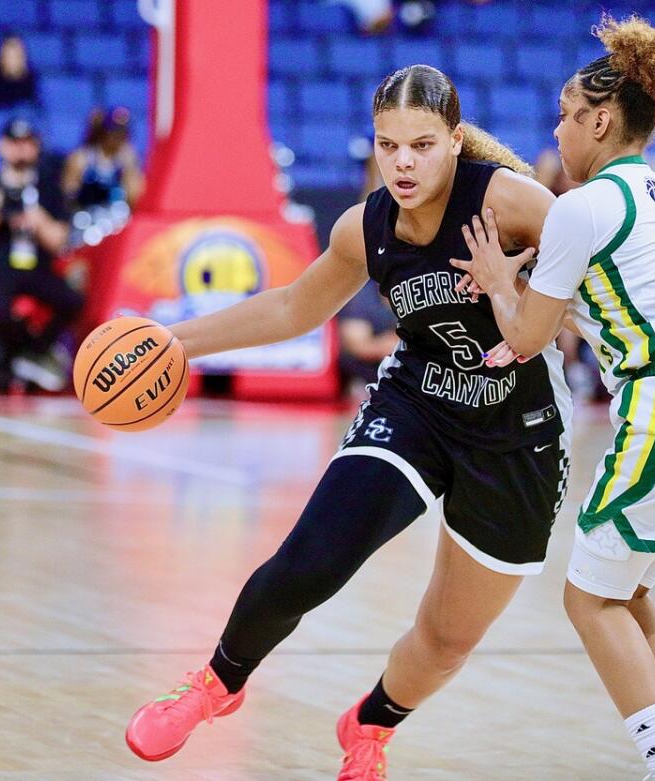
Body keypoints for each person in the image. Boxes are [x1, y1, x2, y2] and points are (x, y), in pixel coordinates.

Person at [123, 65, 574, 781]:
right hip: (418, 404)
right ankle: (216, 684)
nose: (401, 162)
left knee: (447, 637)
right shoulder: (366, 227)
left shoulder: (513, 203)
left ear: (456, 140)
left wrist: (520, 284)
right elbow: (291, 308)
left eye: (421, 144)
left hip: (519, 429)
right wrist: (177, 340)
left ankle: (370, 723)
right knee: (314, 558)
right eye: (387, 144)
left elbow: (594, 278)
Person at [452, 15, 655, 781]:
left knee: (587, 599)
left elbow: (527, 339)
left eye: (567, 116)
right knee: (627, 595)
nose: (558, 131)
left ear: (601, 119)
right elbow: (605, 302)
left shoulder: (583, 204)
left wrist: (504, 283)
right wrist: (535, 284)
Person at [0, 118, 79, 391]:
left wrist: (38, 219)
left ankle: (27, 355)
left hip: (37, 266)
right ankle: (24, 357)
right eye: (15, 143)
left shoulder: (48, 187)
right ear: (1, 146)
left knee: (73, 300)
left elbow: (59, 242)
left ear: (36, 147)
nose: (21, 150)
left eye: (27, 143)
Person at [61, 107, 146, 210]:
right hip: (87, 216)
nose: (120, 137)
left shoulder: (128, 158)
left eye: (124, 132)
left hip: (117, 216)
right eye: (115, 132)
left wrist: (129, 169)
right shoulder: (82, 157)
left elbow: (135, 197)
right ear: (103, 132)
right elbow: (69, 195)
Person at [337, 279, 399, 395]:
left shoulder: (426, 290)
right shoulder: (362, 296)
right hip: (367, 375)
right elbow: (356, 346)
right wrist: (387, 345)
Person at [0, 33, 38, 109]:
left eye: (16, 51)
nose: (12, 55)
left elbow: (35, 107)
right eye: (8, 51)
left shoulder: (32, 78)